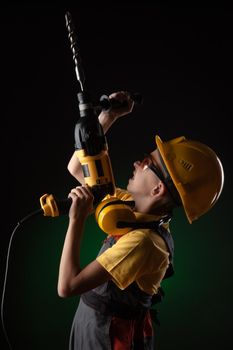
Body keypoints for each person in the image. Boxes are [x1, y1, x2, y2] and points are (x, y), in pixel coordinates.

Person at [57, 91, 224, 349]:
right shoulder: (131, 208)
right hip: (91, 326)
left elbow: (67, 286)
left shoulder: (143, 243)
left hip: (107, 338)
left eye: (147, 162)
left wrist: (76, 220)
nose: (137, 162)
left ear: (158, 190)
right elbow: (78, 168)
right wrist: (107, 117)